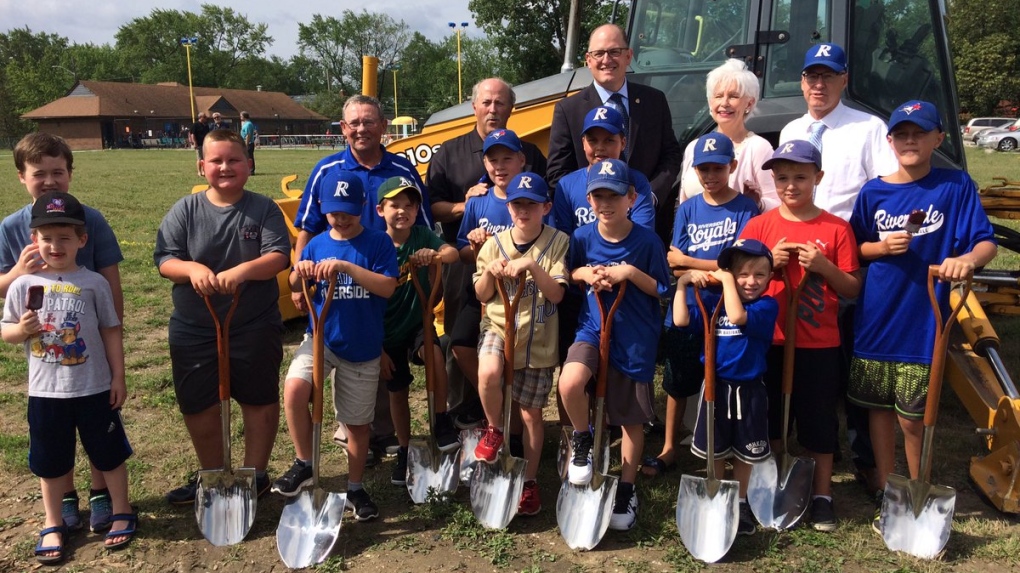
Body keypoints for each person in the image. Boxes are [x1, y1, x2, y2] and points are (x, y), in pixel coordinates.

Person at [847, 100, 996, 532]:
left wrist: (966, 259)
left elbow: (984, 241)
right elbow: (853, 248)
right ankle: (886, 488)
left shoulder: (954, 186)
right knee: (877, 409)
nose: (910, 141)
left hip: (924, 319)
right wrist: (881, 247)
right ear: (890, 141)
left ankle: (918, 485)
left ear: (938, 139)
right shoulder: (874, 191)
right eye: (902, 134)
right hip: (877, 316)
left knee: (913, 415)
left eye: (920, 133)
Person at [779, 42, 899, 491]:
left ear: (844, 80)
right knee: (803, 366)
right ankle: (800, 449)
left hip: (845, 261)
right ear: (802, 81)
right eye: (812, 76)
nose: (819, 84)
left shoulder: (869, 128)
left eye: (829, 76)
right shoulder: (793, 127)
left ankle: (865, 459)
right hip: (797, 268)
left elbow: (884, 193)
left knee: (850, 366)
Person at [154, 129, 290, 506]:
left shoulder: (263, 208)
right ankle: (211, 475)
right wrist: (192, 269)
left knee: (258, 398)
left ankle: (254, 476)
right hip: (196, 325)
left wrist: (242, 271)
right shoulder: (185, 210)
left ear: (249, 165)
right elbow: (166, 260)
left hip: (253, 322)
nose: (225, 167)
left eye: (234, 160)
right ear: (201, 167)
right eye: (216, 161)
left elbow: (278, 256)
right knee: (198, 403)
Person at [293, 95, 431, 458]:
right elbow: (306, 229)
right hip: (339, 288)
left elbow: (425, 226)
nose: (361, 129)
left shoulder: (402, 170)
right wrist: (299, 277)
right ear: (343, 128)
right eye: (353, 123)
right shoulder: (327, 170)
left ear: (383, 127)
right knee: (349, 354)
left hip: (390, 283)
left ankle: (377, 434)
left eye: (369, 122)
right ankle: (354, 434)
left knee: (379, 363)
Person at [0, 132, 124, 535]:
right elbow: (6, 287)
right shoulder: (13, 227)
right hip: (42, 344)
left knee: (95, 417)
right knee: (54, 425)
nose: (50, 180)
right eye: (40, 174)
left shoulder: (92, 220)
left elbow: (110, 280)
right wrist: (18, 274)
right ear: (22, 176)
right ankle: (65, 497)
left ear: (70, 173)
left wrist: (113, 344)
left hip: (90, 340)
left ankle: (101, 491)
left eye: (58, 172)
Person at [739, 140, 862, 531]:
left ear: (818, 178)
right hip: (769, 340)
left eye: (800, 177)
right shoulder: (761, 225)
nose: (790, 185)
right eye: (782, 178)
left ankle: (823, 495)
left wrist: (824, 266)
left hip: (818, 343)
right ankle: (774, 484)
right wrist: (767, 263)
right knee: (771, 419)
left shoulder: (836, 228)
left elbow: (852, 289)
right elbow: (741, 281)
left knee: (819, 422)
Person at [274, 170, 398, 520]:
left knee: (357, 425)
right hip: (321, 340)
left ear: (363, 206)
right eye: (332, 212)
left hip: (362, 348)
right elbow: (297, 282)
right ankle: (303, 462)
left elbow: (387, 287)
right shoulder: (315, 243)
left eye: (347, 211)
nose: (340, 219)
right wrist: (302, 272)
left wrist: (344, 266)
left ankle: (355, 488)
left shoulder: (377, 243)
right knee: (295, 390)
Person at [427, 78, 547, 428]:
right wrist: (466, 206)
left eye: (500, 103)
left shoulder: (530, 154)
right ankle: (479, 408)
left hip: (520, 273)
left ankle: (506, 412)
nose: (493, 109)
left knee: (511, 343)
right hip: (466, 263)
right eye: (486, 102)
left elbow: (543, 207)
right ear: (473, 106)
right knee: (460, 341)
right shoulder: (449, 151)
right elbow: (432, 207)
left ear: (512, 108)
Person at [557, 162, 670, 531]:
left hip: (634, 337)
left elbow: (663, 289)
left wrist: (630, 273)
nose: (606, 203)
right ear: (589, 199)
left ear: (631, 199)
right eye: (599, 195)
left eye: (614, 195)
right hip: (593, 328)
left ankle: (626, 487)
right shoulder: (583, 237)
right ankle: (583, 437)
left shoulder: (647, 241)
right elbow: (571, 271)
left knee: (629, 420)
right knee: (570, 383)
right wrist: (585, 274)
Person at [644, 133, 759, 478]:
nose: (710, 176)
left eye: (717, 168)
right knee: (678, 381)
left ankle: (721, 446)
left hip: (725, 307)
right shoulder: (689, 207)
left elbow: (738, 266)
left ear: (732, 166)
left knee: (722, 380)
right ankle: (668, 448)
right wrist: (704, 267)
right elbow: (673, 264)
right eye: (703, 169)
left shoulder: (745, 209)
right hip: (689, 306)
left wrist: (696, 264)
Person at [472, 172, 569, 516]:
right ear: (508, 207)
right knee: (488, 372)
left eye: (531, 205)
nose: (523, 211)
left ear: (545, 207)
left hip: (539, 338)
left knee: (531, 415)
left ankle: (528, 481)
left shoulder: (558, 242)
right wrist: (490, 273)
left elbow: (557, 293)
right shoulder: (493, 245)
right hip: (500, 326)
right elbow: (481, 294)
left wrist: (530, 265)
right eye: (516, 204)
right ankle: (495, 427)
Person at [674, 239, 778, 537]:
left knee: (745, 451)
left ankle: (741, 501)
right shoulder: (712, 303)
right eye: (742, 274)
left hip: (749, 391)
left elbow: (738, 316)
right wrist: (682, 285)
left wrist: (727, 281)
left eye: (759, 274)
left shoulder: (766, 306)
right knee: (716, 450)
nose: (750, 281)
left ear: (770, 277)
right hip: (715, 389)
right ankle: (718, 496)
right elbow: (681, 320)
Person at [547, 23, 681, 241]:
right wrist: (595, 204)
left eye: (614, 52)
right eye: (599, 53)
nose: (606, 60)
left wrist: (649, 197)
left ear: (628, 56)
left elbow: (671, 155)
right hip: (590, 230)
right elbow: (558, 172)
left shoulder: (654, 101)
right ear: (588, 60)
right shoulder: (568, 110)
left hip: (647, 228)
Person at [451, 128, 539, 456]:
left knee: (514, 359)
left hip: (525, 295)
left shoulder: (533, 198)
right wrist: (474, 245)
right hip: (487, 292)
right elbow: (462, 252)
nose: (499, 166)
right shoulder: (478, 202)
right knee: (460, 344)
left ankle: (513, 424)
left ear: (521, 160)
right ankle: (496, 411)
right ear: (485, 163)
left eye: (507, 158)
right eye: (493, 159)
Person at [371, 176, 460, 486]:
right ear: (380, 209)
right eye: (395, 205)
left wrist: (432, 255)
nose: (402, 212)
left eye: (410, 206)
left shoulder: (422, 234)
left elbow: (452, 254)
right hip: (385, 331)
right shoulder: (375, 245)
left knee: (435, 355)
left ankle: (441, 420)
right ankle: (405, 450)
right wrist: (377, 349)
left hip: (417, 323)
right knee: (397, 391)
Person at [677, 59, 777, 212]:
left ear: (749, 104)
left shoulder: (759, 148)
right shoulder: (694, 147)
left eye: (733, 96)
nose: (724, 103)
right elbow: (683, 204)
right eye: (718, 96)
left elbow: (777, 204)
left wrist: (757, 203)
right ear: (710, 102)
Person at [189, 112, 211, 176]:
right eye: (204, 117)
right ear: (200, 117)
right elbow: (192, 135)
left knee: (205, 158)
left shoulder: (206, 125)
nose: (206, 118)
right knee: (199, 158)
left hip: (205, 144)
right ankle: (199, 171)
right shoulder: (195, 125)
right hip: (199, 144)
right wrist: (195, 143)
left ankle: (204, 171)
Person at [239, 111, 258, 175]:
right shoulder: (245, 124)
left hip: (248, 143)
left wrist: (246, 144)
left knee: (249, 157)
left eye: (241, 116)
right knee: (246, 157)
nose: (240, 117)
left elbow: (248, 135)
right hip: (245, 142)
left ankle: (251, 170)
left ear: (244, 116)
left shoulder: (248, 124)